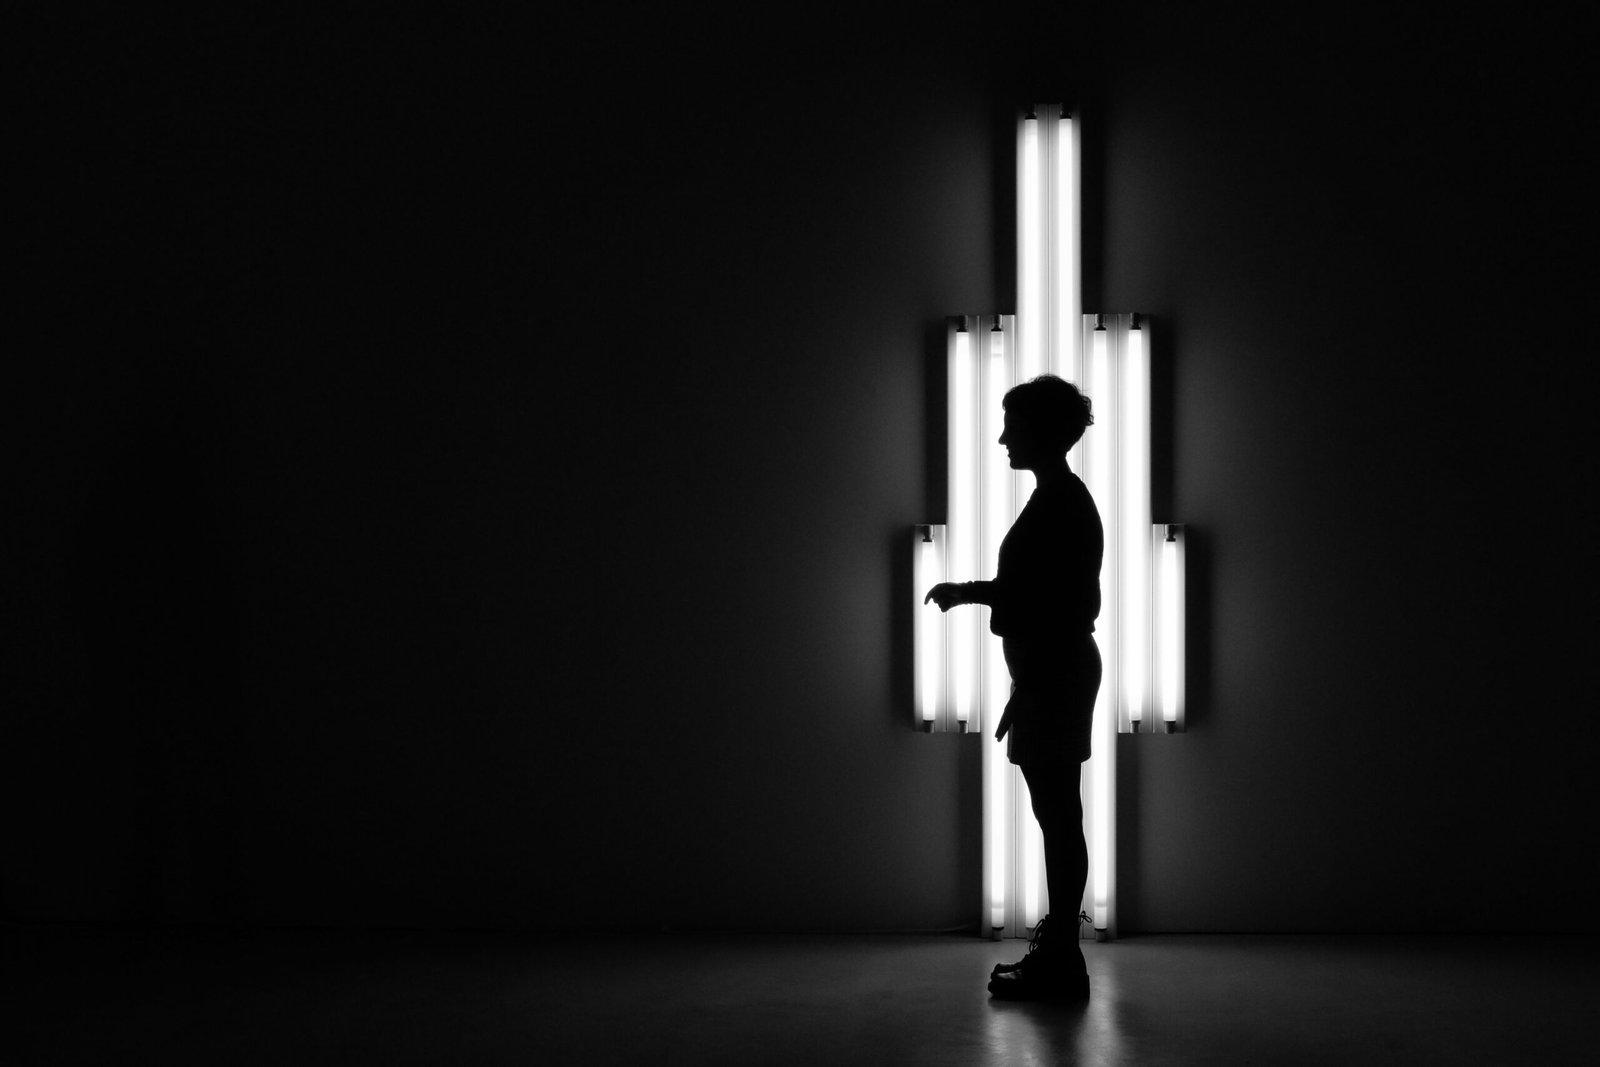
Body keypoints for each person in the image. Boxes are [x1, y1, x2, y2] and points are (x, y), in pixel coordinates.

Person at [925, 374, 1102, 1002]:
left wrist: (1031, 684)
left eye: (1012, 424)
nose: (1002, 437)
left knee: (1057, 813)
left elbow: (1068, 604)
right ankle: (1061, 954)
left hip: (1052, 675)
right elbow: (1041, 595)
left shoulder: (1061, 502)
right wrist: (969, 593)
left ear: (1042, 431)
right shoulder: (1058, 498)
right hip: (1050, 675)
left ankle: (1061, 958)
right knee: (1056, 811)